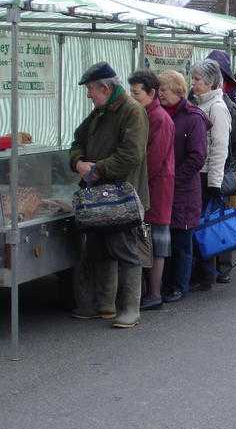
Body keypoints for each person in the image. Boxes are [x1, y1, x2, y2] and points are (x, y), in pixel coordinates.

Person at [69, 62, 149, 328]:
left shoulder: (132, 111)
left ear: (105, 87)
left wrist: (95, 170)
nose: (88, 94)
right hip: (97, 197)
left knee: (125, 251)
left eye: (91, 89)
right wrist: (78, 161)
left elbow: (131, 155)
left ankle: (130, 309)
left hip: (122, 197)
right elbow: (77, 139)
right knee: (98, 249)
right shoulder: (99, 112)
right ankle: (103, 306)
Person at [127, 69, 175, 311]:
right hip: (146, 186)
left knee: (156, 241)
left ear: (151, 93)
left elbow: (153, 160)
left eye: (137, 93)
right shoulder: (144, 114)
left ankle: (154, 293)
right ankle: (147, 291)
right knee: (147, 239)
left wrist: (134, 180)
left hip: (155, 188)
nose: (133, 97)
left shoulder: (159, 118)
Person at [158, 70, 208, 302]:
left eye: (164, 90)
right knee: (165, 238)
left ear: (178, 91)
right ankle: (165, 283)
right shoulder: (160, 115)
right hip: (165, 188)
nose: (160, 94)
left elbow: (197, 157)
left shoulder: (193, 117)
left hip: (184, 190)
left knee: (181, 240)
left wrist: (173, 178)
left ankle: (179, 285)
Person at [189, 60, 232, 290]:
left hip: (207, 175)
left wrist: (215, 181)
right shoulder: (202, 104)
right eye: (193, 79)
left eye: (197, 80)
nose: (193, 84)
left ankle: (207, 274)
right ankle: (204, 272)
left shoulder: (217, 107)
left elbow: (219, 147)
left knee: (207, 226)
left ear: (210, 82)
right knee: (201, 224)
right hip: (200, 173)